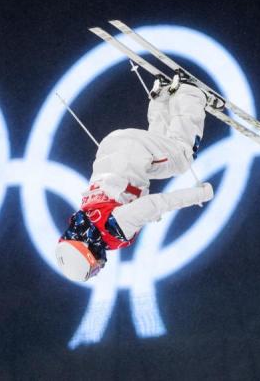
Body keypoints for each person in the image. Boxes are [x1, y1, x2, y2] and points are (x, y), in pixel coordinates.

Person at [56, 80, 214, 282]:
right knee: (161, 160)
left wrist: (200, 194)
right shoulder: (85, 221)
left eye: (93, 269)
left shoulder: (113, 230)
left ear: (88, 254)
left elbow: (157, 204)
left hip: (130, 152)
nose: (100, 269)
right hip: (112, 150)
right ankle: (163, 96)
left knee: (181, 158)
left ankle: (191, 94)